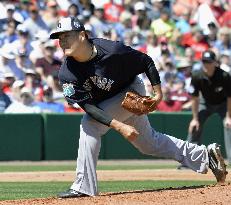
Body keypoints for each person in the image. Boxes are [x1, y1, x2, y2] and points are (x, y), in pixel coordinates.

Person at [49, 17, 227, 198]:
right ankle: (205, 155)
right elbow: (88, 106)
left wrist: (158, 94)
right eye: (59, 37)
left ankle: (83, 186)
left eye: (66, 35)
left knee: (89, 125)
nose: (61, 41)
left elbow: (146, 61)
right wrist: (120, 125)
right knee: (149, 144)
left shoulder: (112, 50)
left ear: (82, 35)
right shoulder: (67, 72)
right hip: (108, 102)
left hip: (131, 90)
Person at [185, 50, 231, 164]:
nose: (206, 64)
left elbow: (230, 97)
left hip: (223, 104)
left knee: (229, 125)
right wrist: (195, 119)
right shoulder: (197, 76)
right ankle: (189, 161)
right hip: (204, 103)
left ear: (215, 62)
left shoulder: (224, 76)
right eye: (204, 61)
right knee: (195, 126)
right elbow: (195, 98)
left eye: (209, 62)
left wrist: (229, 116)